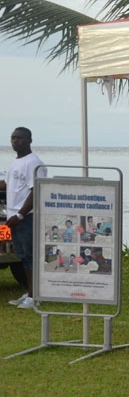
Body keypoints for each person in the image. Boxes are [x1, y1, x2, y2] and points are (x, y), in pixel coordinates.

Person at [2, 127, 47, 309]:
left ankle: (34, 296)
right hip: (12, 216)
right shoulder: (16, 162)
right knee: (22, 256)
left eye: (19, 138)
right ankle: (30, 292)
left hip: (26, 217)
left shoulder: (33, 163)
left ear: (29, 140)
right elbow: (7, 184)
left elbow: (36, 190)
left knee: (30, 257)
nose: (15, 141)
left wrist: (20, 214)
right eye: (13, 138)